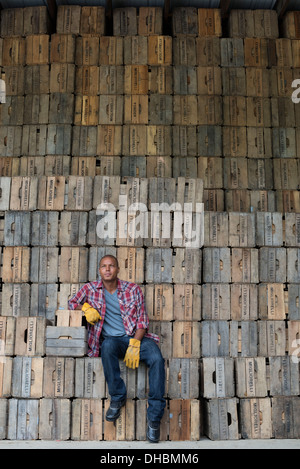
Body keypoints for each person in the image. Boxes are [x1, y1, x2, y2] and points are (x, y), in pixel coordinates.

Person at [68, 254, 166, 443]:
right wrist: (85, 308)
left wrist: (135, 343)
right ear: (99, 270)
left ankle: (154, 419)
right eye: (104, 266)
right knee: (107, 346)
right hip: (112, 340)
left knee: (156, 358)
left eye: (111, 266)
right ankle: (118, 396)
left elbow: (142, 321)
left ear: (117, 269)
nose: (107, 269)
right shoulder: (90, 289)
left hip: (135, 338)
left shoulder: (133, 289)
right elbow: (71, 303)